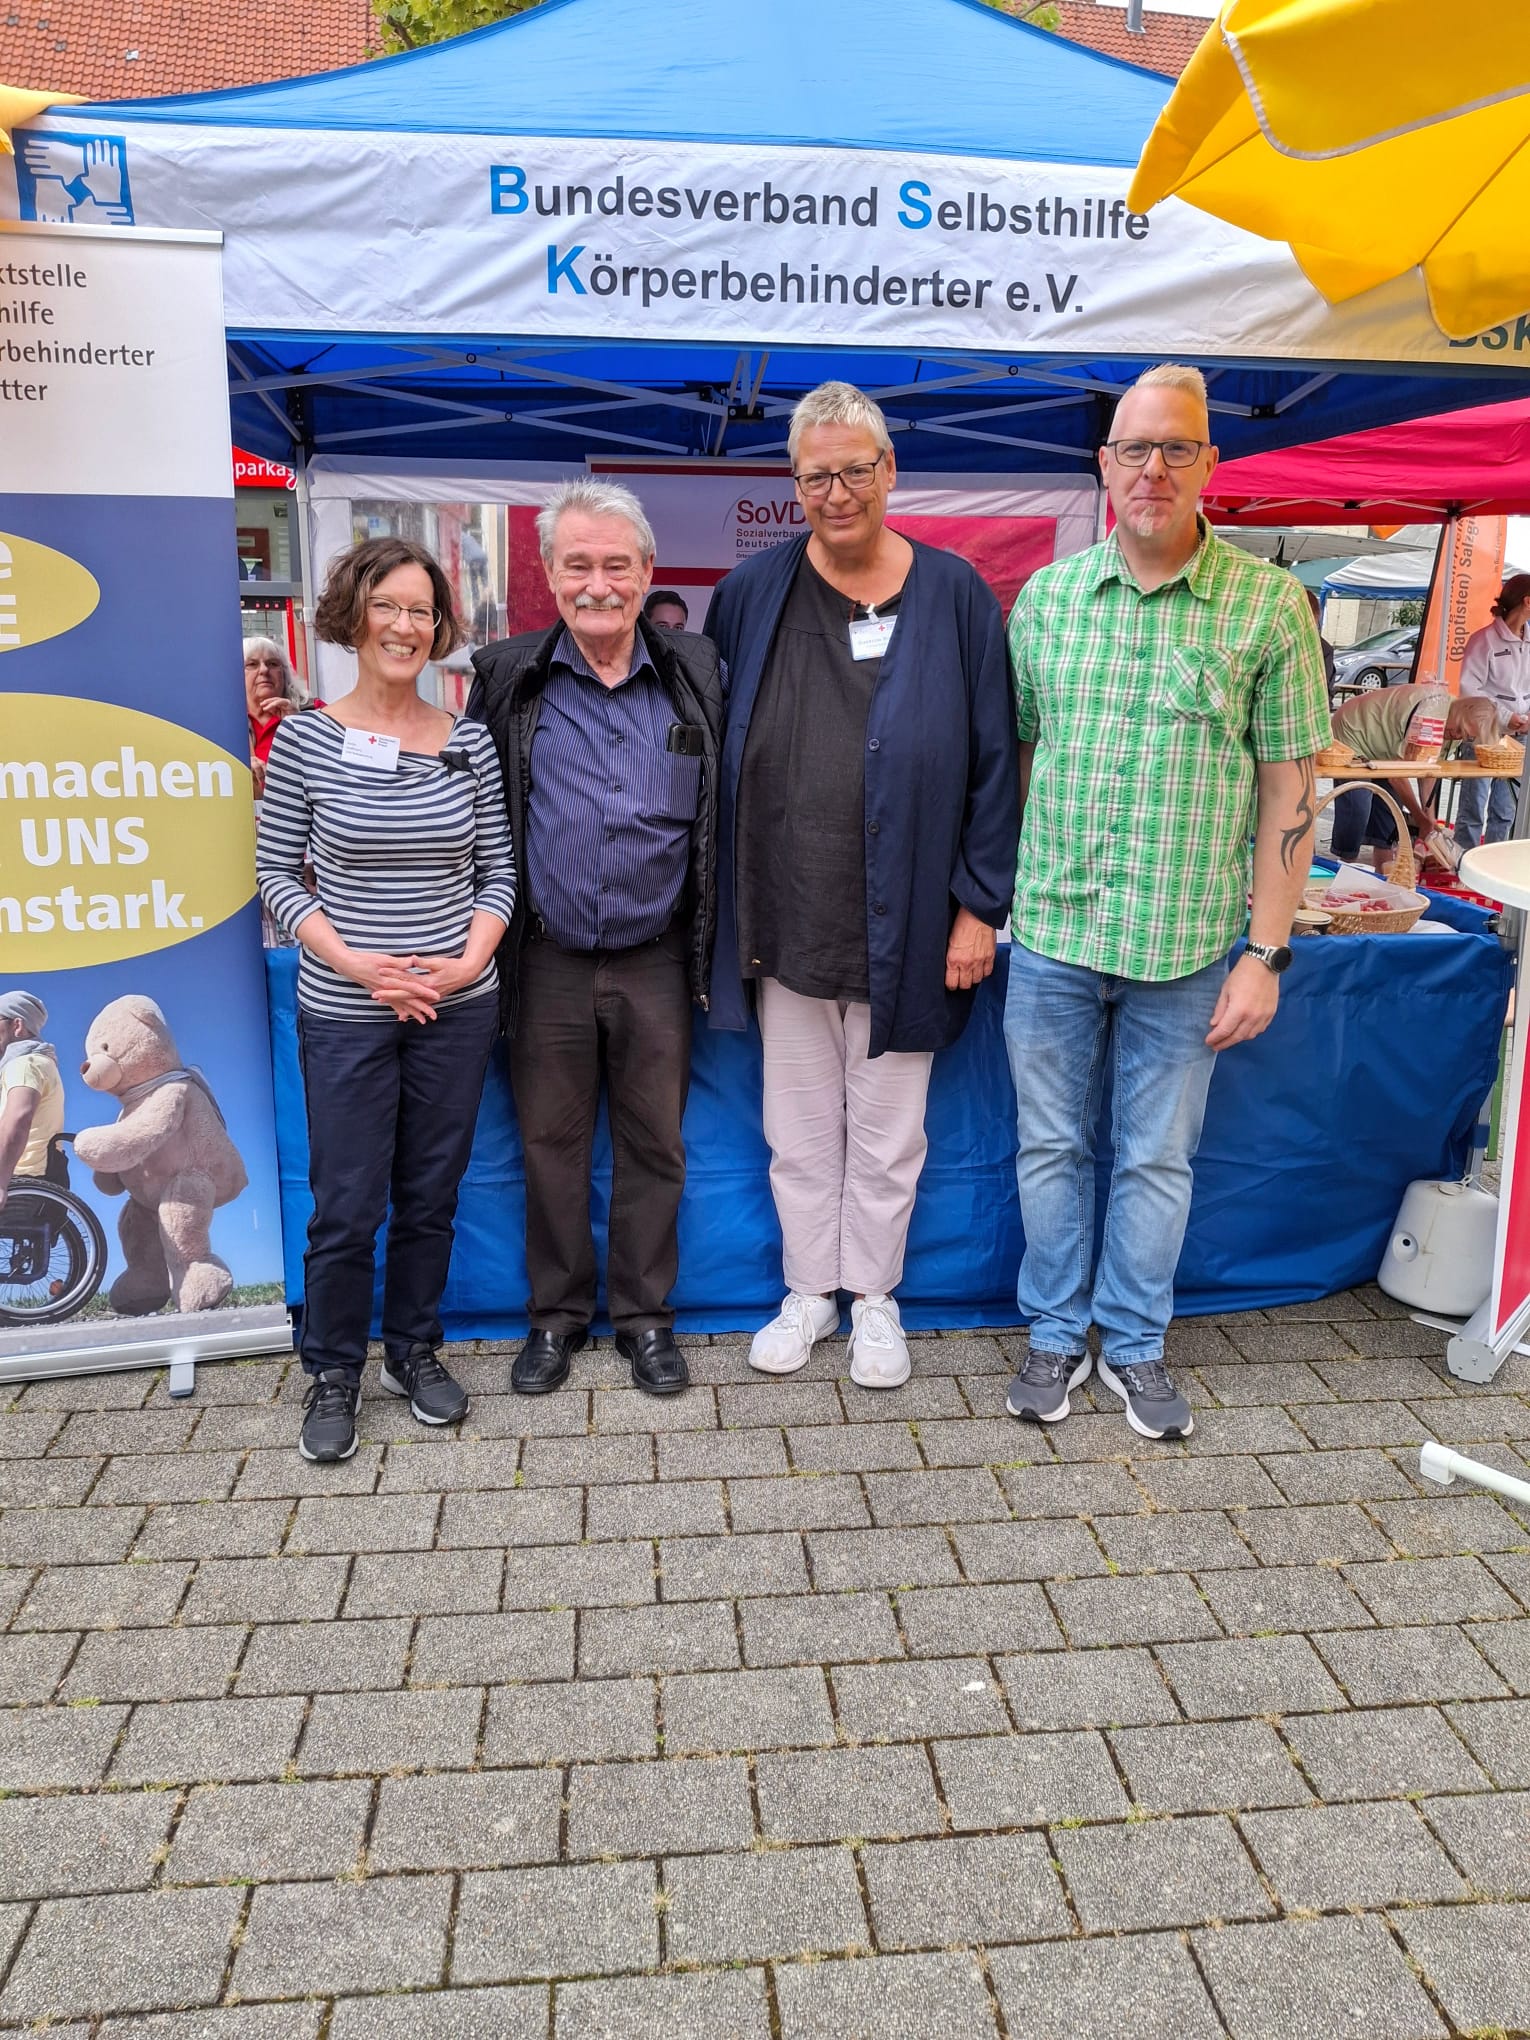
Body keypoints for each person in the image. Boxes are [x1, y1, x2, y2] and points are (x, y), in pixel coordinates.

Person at [1004, 364, 1330, 1441]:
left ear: (1210, 464)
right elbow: (1018, 755)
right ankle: (1056, 1333)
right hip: (1053, 933)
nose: (1153, 468)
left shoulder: (1270, 604)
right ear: (1103, 467)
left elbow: (1291, 786)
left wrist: (1265, 952)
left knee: (1156, 1157)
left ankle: (1133, 1343)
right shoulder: (1047, 603)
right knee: (1049, 1150)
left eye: (1176, 447)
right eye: (1134, 448)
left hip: (1188, 946)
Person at [706, 382, 1019, 1390]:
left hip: (916, 922)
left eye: (853, 470)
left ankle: (875, 1300)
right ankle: (809, 1293)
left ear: (890, 473)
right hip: (787, 916)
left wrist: (979, 905)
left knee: (889, 1134)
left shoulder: (958, 594)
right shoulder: (751, 594)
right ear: (792, 486)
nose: (835, 492)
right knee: (796, 1127)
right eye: (814, 476)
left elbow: (993, 762)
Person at [256, 538, 515, 1463]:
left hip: (456, 1005)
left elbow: (499, 874)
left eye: (422, 611)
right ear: (353, 617)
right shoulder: (307, 738)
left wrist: (463, 963)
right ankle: (332, 1370)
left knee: (430, 1193)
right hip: (348, 1007)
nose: (407, 627)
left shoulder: (471, 739)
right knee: (347, 1200)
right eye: (389, 607)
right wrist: (362, 966)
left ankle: (412, 1349)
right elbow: (278, 876)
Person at [468, 481, 722, 1399]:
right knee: (551, 1141)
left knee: (657, 1144)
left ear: (647, 570)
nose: (599, 583)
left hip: (658, 956)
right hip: (547, 958)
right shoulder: (506, 675)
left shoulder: (698, 669)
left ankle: (646, 1321)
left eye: (618, 564)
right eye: (579, 564)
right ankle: (555, 1319)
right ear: (549, 574)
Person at [1329, 684, 1503, 868]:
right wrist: (1420, 819)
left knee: (1391, 812)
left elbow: (1427, 770)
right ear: (1460, 712)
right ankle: (1342, 867)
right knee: (1358, 806)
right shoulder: (1431, 714)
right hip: (1353, 730)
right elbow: (1398, 776)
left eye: (1465, 735)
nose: (1457, 735)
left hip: (1385, 747)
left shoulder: (1451, 727)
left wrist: (1429, 819)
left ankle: (1383, 876)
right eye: (1459, 728)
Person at [1455, 573, 1530, 850]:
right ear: (1527, 602)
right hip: (1482, 732)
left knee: (1505, 808)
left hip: (1518, 736)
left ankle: (1493, 865)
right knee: (1473, 805)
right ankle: (1463, 865)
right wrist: (1504, 715)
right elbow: (1469, 690)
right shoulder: (1483, 640)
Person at [0, 991, 64, 1208]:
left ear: (17, 1025)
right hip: (36, 1176)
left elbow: (18, 1120)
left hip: (20, 1177)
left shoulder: (25, 1064)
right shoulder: (41, 1063)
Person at [245, 637, 304, 795]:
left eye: (272, 664)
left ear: (284, 673)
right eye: (252, 664)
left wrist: (301, 726)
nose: (264, 670)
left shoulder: (313, 712)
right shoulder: (223, 723)